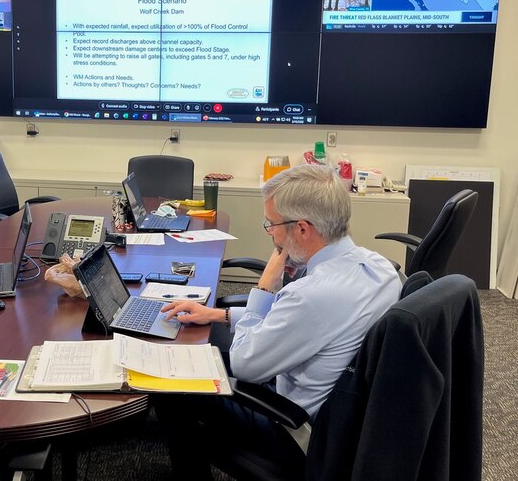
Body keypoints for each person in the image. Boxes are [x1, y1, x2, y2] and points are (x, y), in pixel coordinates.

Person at [157, 164, 402, 478]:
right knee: (208, 350)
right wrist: (220, 315)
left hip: (294, 428)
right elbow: (308, 324)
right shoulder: (380, 268)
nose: (270, 232)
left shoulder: (309, 295)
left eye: (271, 224)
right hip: (344, 422)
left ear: (302, 228)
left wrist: (263, 288)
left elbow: (247, 365)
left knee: (170, 388)